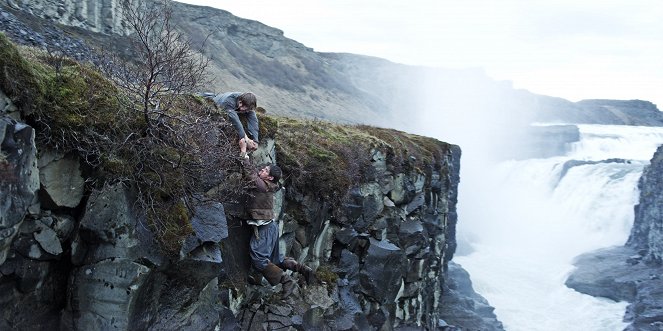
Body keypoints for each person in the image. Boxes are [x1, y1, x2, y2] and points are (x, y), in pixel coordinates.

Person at [241, 158, 314, 298]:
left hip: (265, 229)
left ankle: (286, 281)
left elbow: (250, 174)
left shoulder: (263, 186)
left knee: (259, 259)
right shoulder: (269, 183)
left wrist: (244, 154)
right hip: (270, 226)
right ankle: (302, 269)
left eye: (265, 170)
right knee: (275, 260)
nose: (262, 169)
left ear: (269, 177)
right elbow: (255, 173)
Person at [213, 92, 259, 158]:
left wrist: (256, 141)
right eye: (241, 104)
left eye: (246, 108)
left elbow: (253, 121)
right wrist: (244, 138)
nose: (242, 109)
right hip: (217, 99)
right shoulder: (229, 101)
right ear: (240, 100)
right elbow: (235, 120)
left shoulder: (249, 106)